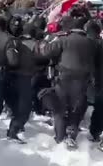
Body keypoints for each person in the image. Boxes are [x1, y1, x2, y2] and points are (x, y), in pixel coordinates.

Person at [38, 17, 100, 149]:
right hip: (82, 81)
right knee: (76, 109)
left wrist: (43, 44)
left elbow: (46, 52)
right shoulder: (92, 43)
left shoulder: (63, 40)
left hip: (63, 78)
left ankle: (60, 137)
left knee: (60, 108)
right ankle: (71, 135)